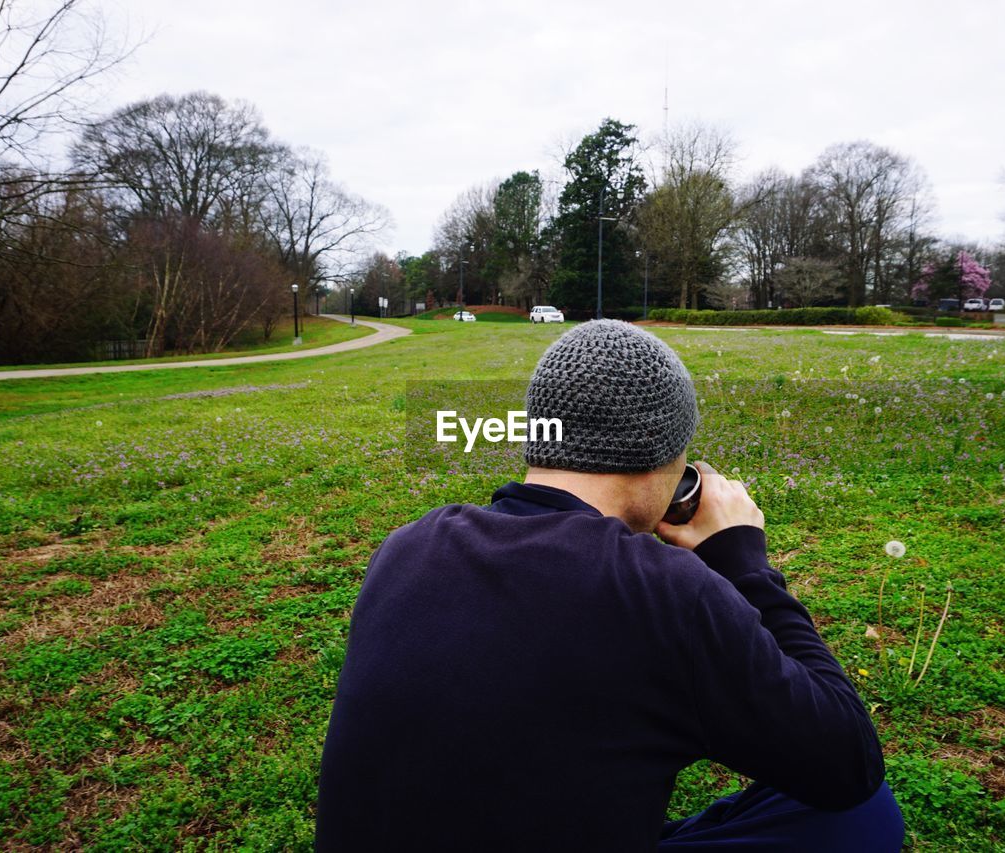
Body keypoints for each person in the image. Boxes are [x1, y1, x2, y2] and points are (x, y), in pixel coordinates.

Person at [316, 320, 904, 851]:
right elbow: (849, 763)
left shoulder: (406, 546)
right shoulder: (665, 594)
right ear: (662, 458)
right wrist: (745, 565)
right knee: (861, 815)